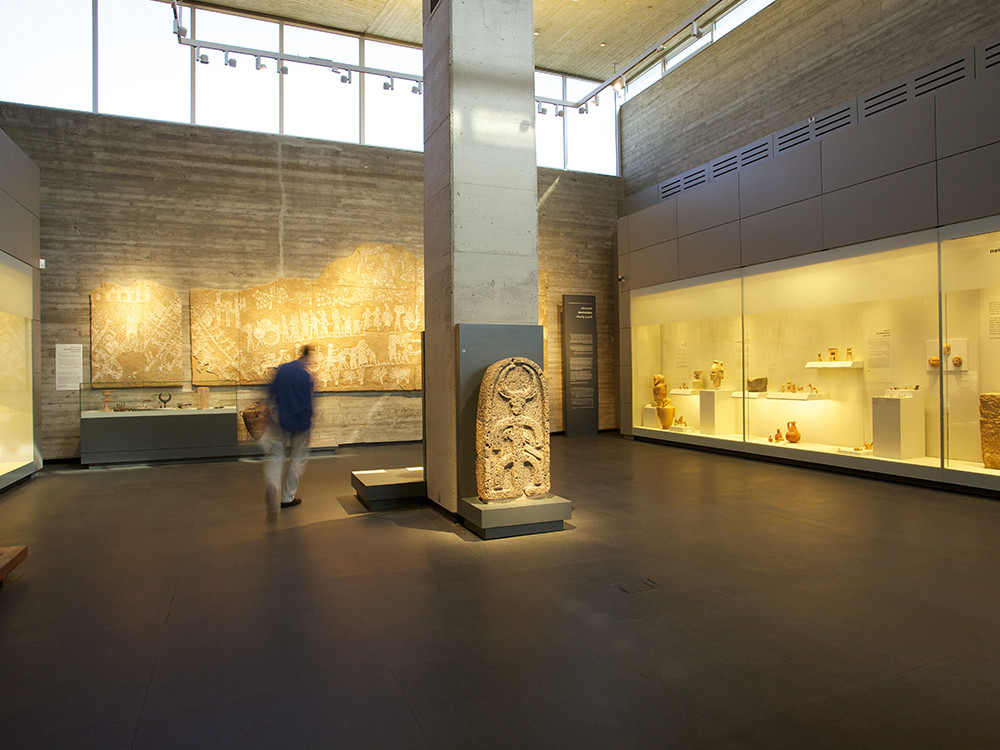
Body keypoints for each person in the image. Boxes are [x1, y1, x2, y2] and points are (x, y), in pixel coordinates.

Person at [264, 344, 315, 520]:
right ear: (308, 357)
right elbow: (309, 405)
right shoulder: (306, 376)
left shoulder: (283, 369)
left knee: (276, 457)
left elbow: (270, 394)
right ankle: (287, 497)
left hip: (281, 421)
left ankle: (272, 484)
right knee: (297, 460)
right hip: (300, 424)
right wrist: (309, 429)